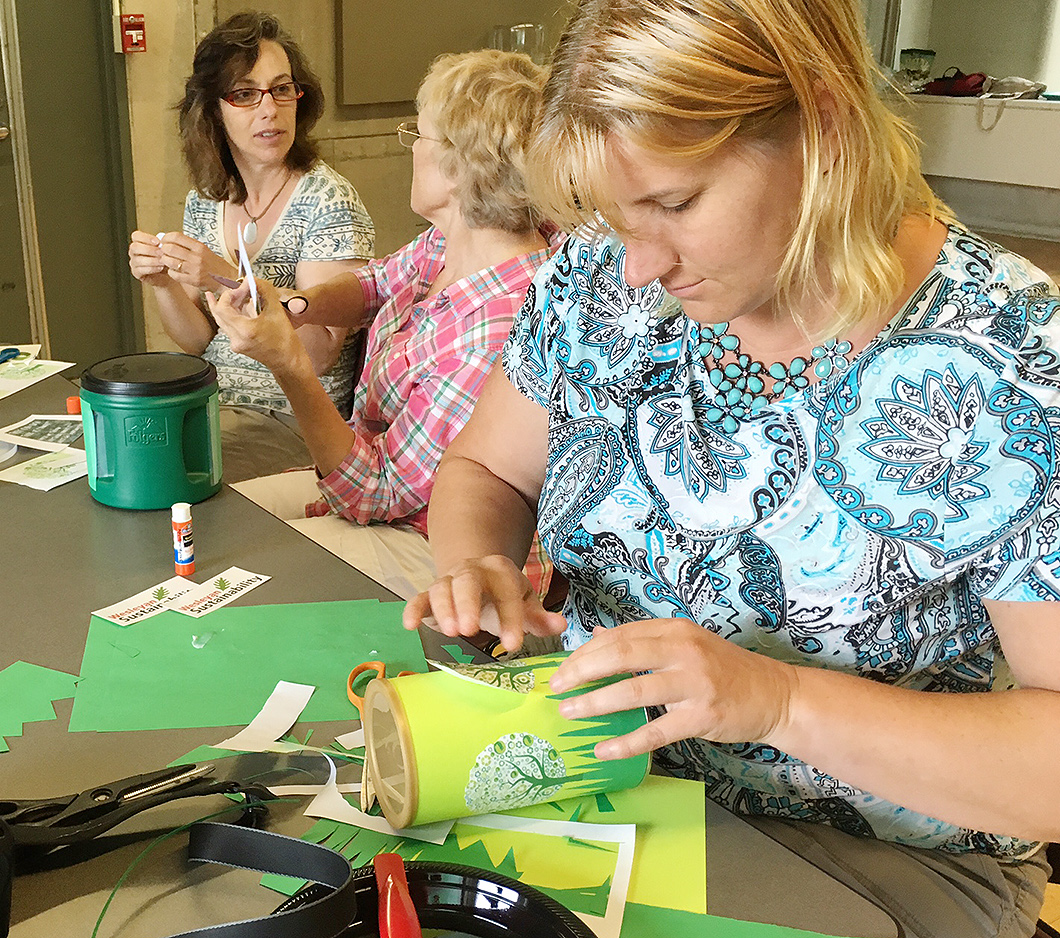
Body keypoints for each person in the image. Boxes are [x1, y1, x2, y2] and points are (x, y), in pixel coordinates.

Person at [407, 2, 1059, 935]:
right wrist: (478, 565)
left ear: (823, 125)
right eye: (609, 216)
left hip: (878, 854)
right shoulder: (596, 277)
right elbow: (488, 469)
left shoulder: (1011, 354)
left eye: (675, 204)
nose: (637, 266)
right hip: (600, 782)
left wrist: (776, 699)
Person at [211, 50, 553, 600]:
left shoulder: (497, 328)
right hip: (374, 487)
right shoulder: (453, 240)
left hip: (432, 548)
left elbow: (376, 491)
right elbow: (375, 284)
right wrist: (294, 304)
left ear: (461, 167)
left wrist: (288, 365)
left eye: (418, 135)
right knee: (223, 523)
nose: (410, 147)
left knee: (246, 579)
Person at [127, 11, 374, 476]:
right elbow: (200, 342)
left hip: (293, 418)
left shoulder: (328, 199)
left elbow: (319, 354)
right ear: (213, 111)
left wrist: (223, 275)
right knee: (117, 452)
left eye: (282, 89)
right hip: (216, 403)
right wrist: (162, 282)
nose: (270, 110)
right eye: (245, 94)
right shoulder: (207, 197)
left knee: (162, 474)